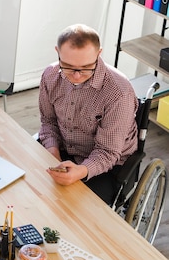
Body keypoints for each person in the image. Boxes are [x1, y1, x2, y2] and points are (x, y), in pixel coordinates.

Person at [39, 24, 138, 204]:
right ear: (57, 52)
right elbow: (48, 122)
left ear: (99, 54)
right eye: (68, 66)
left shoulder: (118, 93)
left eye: (86, 67)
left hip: (107, 165)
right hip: (64, 149)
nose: (76, 76)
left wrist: (81, 170)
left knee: (70, 207)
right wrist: (53, 155)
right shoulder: (50, 75)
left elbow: (107, 152)